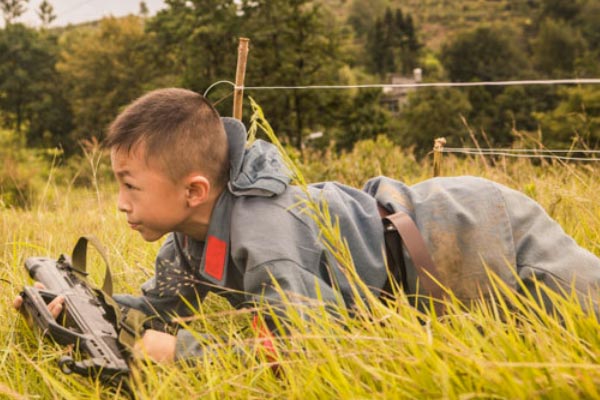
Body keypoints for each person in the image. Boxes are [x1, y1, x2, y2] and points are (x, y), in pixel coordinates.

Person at [14, 87, 600, 364]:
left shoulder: (267, 231)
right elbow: (160, 307)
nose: (119, 203)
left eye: (130, 185)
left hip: (476, 230)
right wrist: (88, 309)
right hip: (434, 261)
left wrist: (185, 354)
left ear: (194, 189)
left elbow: (309, 340)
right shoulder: (189, 238)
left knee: (581, 316)